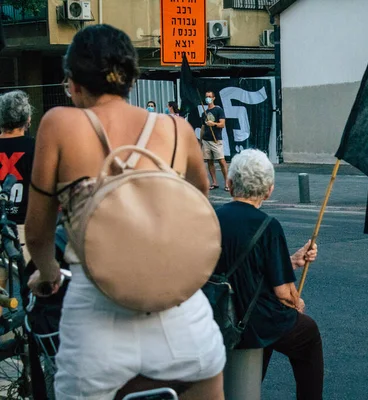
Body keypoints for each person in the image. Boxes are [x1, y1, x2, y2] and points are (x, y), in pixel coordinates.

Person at [25, 24, 225, 400]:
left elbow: (37, 233)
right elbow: (199, 201)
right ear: (132, 79)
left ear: (73, 83)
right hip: (182, 322)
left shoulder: (58, 124)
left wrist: (48, 275)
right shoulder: (178, 129)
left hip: (96, 334)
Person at [215, 149, 323, 400]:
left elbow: (247, 268)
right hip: (252, 320)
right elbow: (283, 293)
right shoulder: (267, 226)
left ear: (230, 184)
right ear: (269, 190)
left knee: (270, 328)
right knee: (307, 334)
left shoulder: (212, 217)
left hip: (218, 315)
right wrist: (296, 303)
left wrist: (293, 261)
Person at [0, 90, 35, 272]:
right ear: (27, 119)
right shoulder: (35, 148)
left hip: (0, 223)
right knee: (29, 284)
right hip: (25, 227)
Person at [200, 91, 229, 191]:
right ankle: (214, 182)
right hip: (206, 140)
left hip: (216, 139)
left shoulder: (218, 110)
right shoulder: (204, 112)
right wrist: (200, 140)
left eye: (209, 96)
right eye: (206, 96)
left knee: (221, 160)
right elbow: (203, 127)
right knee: (209, 161)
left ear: (213, 98)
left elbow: (222, 124)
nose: (208, 98)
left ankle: (227, 183)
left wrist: (214, 124)